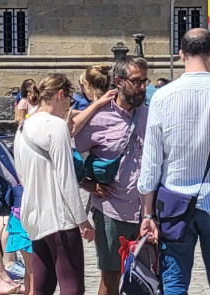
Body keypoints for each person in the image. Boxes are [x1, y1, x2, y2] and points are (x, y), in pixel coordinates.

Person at [138, 28, 210, 295]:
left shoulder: (162, 97)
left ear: (181, 54)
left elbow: (151, 163)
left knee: (175, 282)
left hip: (175, 204)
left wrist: (148, 213)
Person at [13, 74, 95, 295]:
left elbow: (20, 174)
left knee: (43, 285)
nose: (69, 107)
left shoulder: (23, 127)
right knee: (72, 286)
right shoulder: (55, 126)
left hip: (34, 217)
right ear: (60, 95)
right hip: (59, 217)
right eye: (69, 100)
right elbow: (66, 178)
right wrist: (82, 220)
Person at [75, 56, 149, 295]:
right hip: (111, 210)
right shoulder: (98, 117)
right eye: (136, 82)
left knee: (146, 275)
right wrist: (87, 184)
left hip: (146, 210)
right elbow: (67, 157)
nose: (142, 87)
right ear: (119, 81)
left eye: (144, 81)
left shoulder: (149, 115)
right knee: (111, 277)